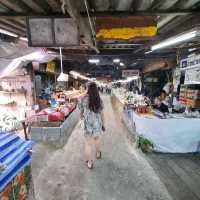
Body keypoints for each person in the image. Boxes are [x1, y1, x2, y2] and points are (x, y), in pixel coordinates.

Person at [79, 82, 105, 169]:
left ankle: (89, 162)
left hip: (87, 124)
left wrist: (81, 118)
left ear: (88, 89)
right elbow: (102, 113)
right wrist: (104, 124)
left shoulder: (83, 99)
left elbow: (81, 112)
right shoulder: (99, 99)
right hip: (97, 122)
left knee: (88, 144)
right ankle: (98, 153)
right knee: (97, 138)